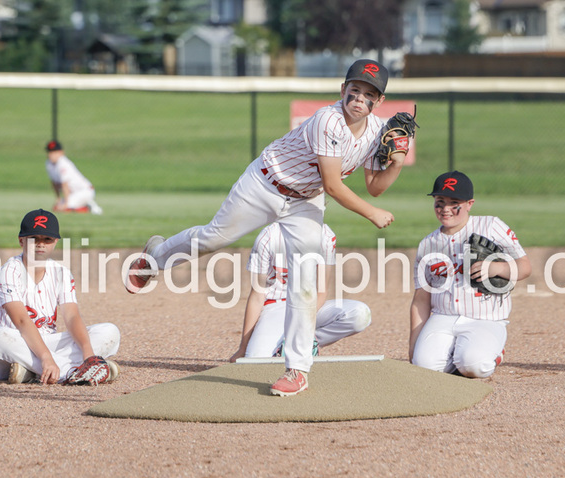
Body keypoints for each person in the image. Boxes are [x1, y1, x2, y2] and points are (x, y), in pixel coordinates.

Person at [126, 59, 409, 396]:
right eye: (356, 88)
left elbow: (375, 185)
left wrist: (397, 162)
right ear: (343, 90)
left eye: (369, 93)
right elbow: (335, 186)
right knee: (214, 238)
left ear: (379, 102)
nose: (360, 97)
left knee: (303, 279)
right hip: (265, 183)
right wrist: (371, 213)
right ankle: (157, 256)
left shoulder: (378, 131)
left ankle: (297, 370)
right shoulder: (328, 120)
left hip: (305, 201)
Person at [409, 171, 531, 378]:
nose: (446, 209)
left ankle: (491, 352)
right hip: (443, 317)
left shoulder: (491, 226)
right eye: (440, 202)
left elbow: (525, 266)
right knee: (424, 369)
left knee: (474, 366)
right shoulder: (427, 244)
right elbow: (421, 299)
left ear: (469, 204)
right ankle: (455, 355)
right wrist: (413, 347)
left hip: (485, 318)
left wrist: (498, 268)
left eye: (454, 202)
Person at [0, 208, 121, 385]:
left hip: (48, 343)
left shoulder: (61, 273)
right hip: (16, 345)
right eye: (34, 238)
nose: (40, 244)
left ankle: (32, 371)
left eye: (47, 239)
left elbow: (72, 316)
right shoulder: (8, 272)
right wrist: (45, 357)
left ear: (55, 242)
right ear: (21, 240)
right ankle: (72, 371)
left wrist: (89, 354)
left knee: (109, 331)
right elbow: (20, 321)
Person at [229, 222, 371, 363]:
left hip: (309, 306)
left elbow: (321, 291)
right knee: (255, 360)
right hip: (276, 307)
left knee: (359, 314)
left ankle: (304, 344)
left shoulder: (325, 235)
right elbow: (257, 296)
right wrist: (243, 347)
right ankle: (283, 345)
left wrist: (303, 326)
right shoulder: (269, 236)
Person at [44, 140, 103, 215]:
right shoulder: (48, 164)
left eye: (54, 152)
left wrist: (66, 203)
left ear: (61, 152)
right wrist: (58, 199)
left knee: (66, 207)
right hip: (73, 193)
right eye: (50, 152)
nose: (51, 155)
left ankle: (88, 207)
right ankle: (86, 203)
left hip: (85, 191)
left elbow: (65, 185)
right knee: (57, 208)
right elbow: (54, 183)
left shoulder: (63, 163)